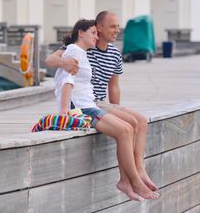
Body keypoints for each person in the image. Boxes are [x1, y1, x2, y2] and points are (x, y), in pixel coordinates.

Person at [45, 11, 158, 195]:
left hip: (97, 102)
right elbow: (51, 61)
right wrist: (64, 64)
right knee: (127, 127)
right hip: (88, 103)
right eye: (113, 26)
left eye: (118, 27)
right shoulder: (83, 46)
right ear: (99, 27)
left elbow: (114, 86)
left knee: (139, 121)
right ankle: (132, 179)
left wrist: (117, 109)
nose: (117, 30)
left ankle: (139, 170)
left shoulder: (113, 52)